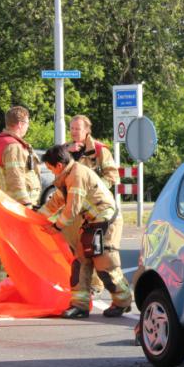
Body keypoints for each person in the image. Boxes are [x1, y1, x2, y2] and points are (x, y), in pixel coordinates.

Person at [37, 144, 132, 318]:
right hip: (91, 222)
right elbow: (55, 202)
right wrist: (35, 218)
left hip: (105, 221)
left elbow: (72, 209)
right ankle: (79, 306)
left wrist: (56, 227)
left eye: (51, 169)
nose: (51, 172)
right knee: (80, 263)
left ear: (59, 165)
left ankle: (122, 301)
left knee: (105, 263)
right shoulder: (67, 176)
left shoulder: (77, 175)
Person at [0, 106, 41, 283]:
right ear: (20, 124)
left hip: (4, 203)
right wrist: (26, 205)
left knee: (6, 248)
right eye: (27, 123)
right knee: (14, 249)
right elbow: (15, 177)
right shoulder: (13, 146)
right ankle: (6, 286)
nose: (27, 127)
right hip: (15, 207)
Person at [67, 115, 119, 294]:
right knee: (77, 249)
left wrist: (93, 189)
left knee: (94, 247)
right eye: (72, 128)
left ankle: (96, 285)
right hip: (75, 208)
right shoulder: (67, 149)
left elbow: (112, 176)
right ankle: (80, 286)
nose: (74, 132)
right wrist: (67, 152)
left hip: (95, 209)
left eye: (78, 129)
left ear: (87, 130)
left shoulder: (99, 150)